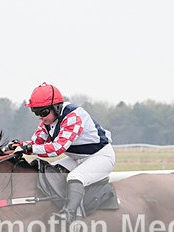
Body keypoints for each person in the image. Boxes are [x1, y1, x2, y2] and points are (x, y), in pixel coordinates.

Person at [7, 82, 115, 224]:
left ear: (56, 107)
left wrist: (29, 149)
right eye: (36, 112)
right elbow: (35, 142)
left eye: (43, 112)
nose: (40, 117)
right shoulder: (47, 121)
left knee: (75, 177)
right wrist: (18, 145)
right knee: (50, 172)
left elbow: (58, 148)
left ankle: (69, 215)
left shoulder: (73, 117)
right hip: (77, 158)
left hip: (100, 157)